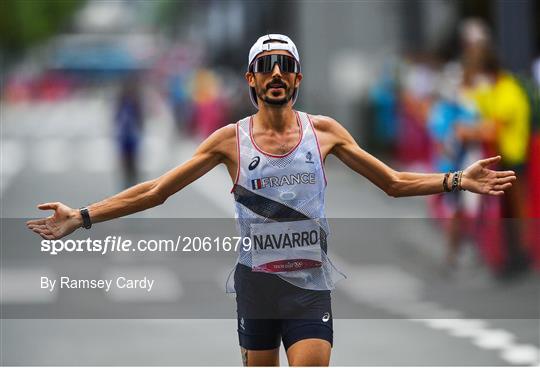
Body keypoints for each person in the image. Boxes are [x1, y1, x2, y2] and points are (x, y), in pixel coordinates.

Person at [27, 34, 516, 366]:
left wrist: (456, 180)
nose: (276, 74)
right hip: (256, 286)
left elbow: (390, 181)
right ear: (251, 80)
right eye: (266, 67)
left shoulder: (323, 133)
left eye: (286, 67)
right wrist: (83, 216)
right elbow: (156, 191)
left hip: (308, 285)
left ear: (298, 79)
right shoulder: (229, 141)